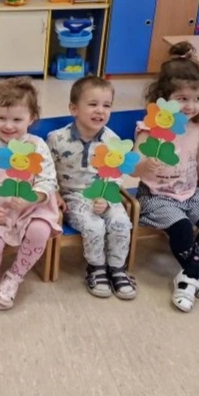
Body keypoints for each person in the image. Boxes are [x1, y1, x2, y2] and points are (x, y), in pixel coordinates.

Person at [133, 41, 199, 313]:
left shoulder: (196, 126)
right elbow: (132, 168)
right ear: (163, 99)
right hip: (156, 196)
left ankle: (189, 276)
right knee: (181, 229)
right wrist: (145, 165)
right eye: (182, 99)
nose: (191, 106)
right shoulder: (149, 129)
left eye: (198, 98)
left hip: (190, 193)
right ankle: (193, 277)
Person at [0, 76, 61, 310]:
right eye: (1, 118)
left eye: (17, 120)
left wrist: (33, 197)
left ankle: (14, 276)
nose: (8, 126)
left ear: (32, 118)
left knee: (40, 231)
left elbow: (48, 179)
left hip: (33, 210)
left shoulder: (37, 146)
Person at [47, 76, 136, 300]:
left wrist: (105, 196)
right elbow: (46, 172)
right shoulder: (57, 139)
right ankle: (96, 268)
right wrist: (54, 193)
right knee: (93, 225)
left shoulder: (112, 140)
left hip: (105, 192)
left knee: (121, 222)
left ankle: (117, 268)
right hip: (73, 196)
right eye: (93, 104)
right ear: (74, 109)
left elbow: (116, 173)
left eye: (106, 105)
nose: (100, 111)